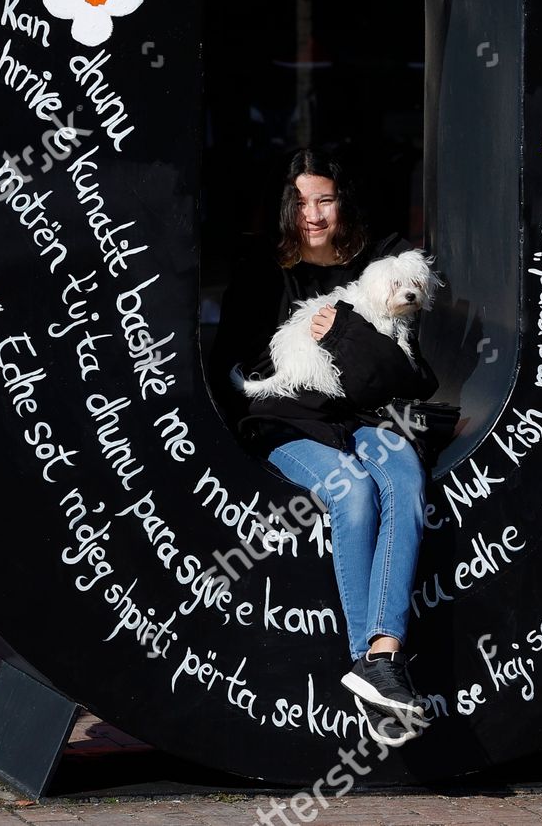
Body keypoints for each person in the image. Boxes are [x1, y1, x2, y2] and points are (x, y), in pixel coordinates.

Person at [209, 147, 438, 744]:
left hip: (361, 414)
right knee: (353, 490)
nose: (313, 214)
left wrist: (343, 330)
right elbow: (236, 367)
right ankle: (374, 664)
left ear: (344, 203)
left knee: (406, 477)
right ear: (285, 207)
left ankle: (380, 656)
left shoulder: (382, 265)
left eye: (325, 199)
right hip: (283, 420)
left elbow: (406, 374)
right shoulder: (264, 271)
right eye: (301, 201)